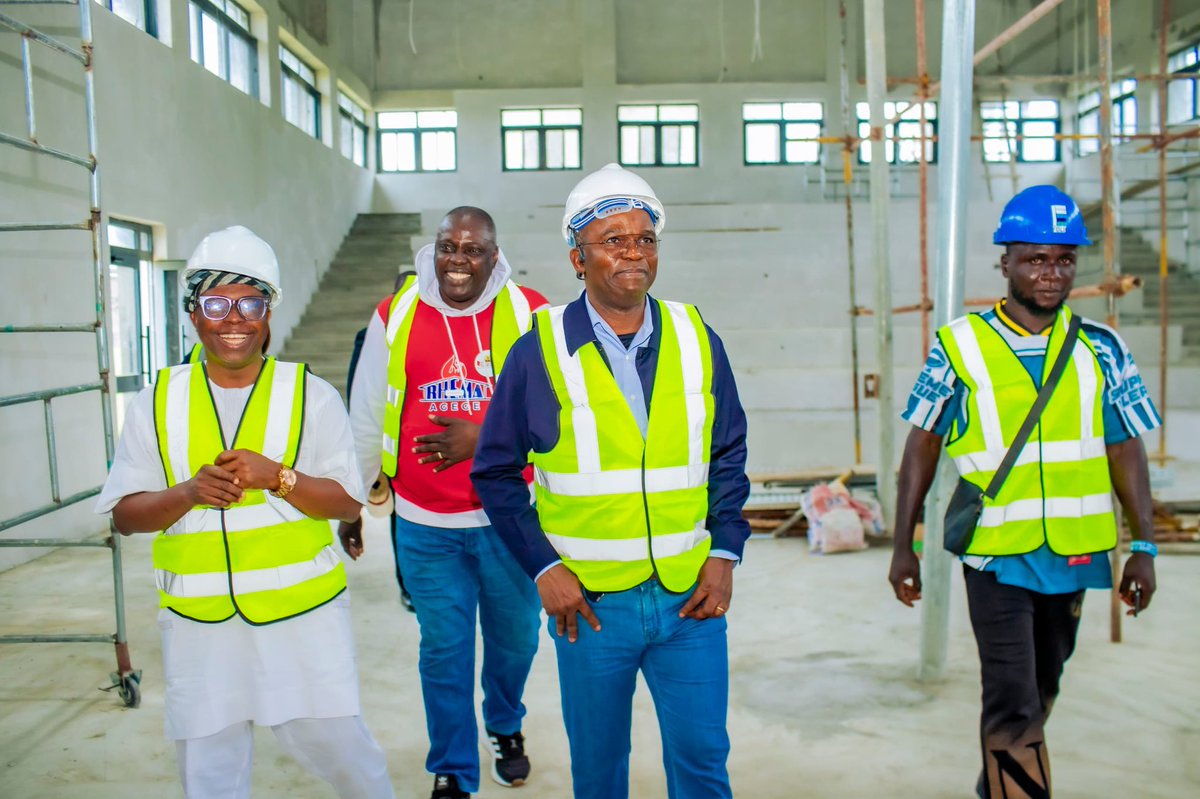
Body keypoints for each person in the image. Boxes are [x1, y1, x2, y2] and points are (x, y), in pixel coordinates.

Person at [472, 163, 752, 799]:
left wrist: (726, 551)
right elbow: (494, 472)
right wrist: (545, 569)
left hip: (692, 601)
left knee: (705, 765)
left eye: (645, 238)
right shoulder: (539, 349)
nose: (634, 253)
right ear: (578, 257)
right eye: (613, 239)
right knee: (599, 773)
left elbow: (727, 452)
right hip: (593, 609)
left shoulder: (696, 336)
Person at [94, 225, 394, 799]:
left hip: (302, 619)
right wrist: (187, 493)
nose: (233, 318)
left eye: (249, 301)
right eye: (216, 302)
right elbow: (124, 516)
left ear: (268, 312)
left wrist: (277, 478)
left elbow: (348, 499)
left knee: (346, 755)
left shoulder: (311, 394)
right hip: (198, 627)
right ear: (192, 313)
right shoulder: (157, 400)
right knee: (209, 773)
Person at [887, 185, 1160, 799]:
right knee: (1011, 698)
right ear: (1005, 261)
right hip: (996, 553)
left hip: (1075, 554)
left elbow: (1126, 448)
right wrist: (903, 545)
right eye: (1036, 258)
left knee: (1041, 693)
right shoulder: (960, 348)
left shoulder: (1104, 349)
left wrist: (1143, 543)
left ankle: (996, 791)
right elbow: (921, 446)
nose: (1051, 272)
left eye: (1064, 259)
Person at [344, 207, 549, 799]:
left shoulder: (529, 312)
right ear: (433, 251)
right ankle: (454, 770)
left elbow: (557, 406)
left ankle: (504, 726)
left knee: (516, 640)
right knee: (444, 650)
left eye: (473, 250)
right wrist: (353, 501)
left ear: (494, 255)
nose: (458, 260)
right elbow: (363, 416)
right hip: (424, 522)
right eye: (448, 247)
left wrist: (482, 434)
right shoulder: (396, 313)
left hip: (508, 520)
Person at [347, 269, 418, 614]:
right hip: (393, 453)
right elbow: (359, 394)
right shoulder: (372, 334)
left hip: (420, 449)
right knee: (397, 520)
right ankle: (408, 586)